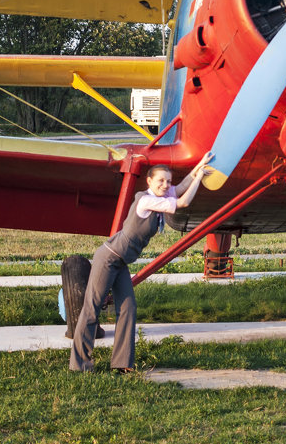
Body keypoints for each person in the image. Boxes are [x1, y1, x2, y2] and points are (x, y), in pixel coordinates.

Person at [70, 152, 213, 373]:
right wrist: (201, 177)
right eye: (160, 181)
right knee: (92, 309)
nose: (166, 185)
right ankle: (80, 365)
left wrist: (199, 166)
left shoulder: (159, 197)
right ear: (149, 182)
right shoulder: (146, 200)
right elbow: (183, 201)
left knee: (128, 308)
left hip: (120, 262)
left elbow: (181, 187)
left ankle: (122, 363)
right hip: (108, 258)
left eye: (168, 181)